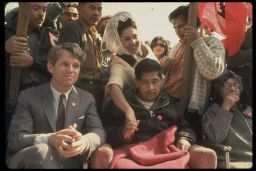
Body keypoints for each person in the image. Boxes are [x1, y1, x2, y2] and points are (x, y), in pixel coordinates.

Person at [92, 59, 217, 168]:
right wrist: (122, 132)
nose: (151, 87)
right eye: (145, 82)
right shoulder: (121, 103)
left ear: (162, 81)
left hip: (165, 152)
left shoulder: (171, 103)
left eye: (155, 81)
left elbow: (184, 127)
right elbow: (105, 129)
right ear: (137, 82)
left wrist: (184, 138)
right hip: (131, 153)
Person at [6, 43, 106, 169]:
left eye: (76, 66)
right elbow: (16, 140)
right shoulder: (28, 97)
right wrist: (49, 138)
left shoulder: (87, 99)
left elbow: (98, 131)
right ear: (50, 67)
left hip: (68, 163)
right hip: (31, 161)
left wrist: (84, 142)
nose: (71, 70)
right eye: (65, 64)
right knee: (43, 150)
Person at [160, 5, 225, 143]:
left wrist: (197, 41)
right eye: (175, 27)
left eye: (181, 26)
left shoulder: (212, 43)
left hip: (191, 110)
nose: (178, 31)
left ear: (195, 24)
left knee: (187, 145)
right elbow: (167, 76)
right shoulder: (177, 46)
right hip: (168, 103)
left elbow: (213, 70)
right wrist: (163, 65)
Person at [102, 11, 158, 141]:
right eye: (127, 39)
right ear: (118, 41)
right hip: (123, 115)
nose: (133, 41)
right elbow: (114, 86)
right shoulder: (118, 61)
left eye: (135, 36)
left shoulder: (145, 50)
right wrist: (128, 111)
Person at [5, 2, 58, 134]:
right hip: (11, 104)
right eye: (36, 8)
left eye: (44, 9)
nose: (41, 14)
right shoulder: (7, 33)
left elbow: (58, 68)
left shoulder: (51, 36)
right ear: (22, 9)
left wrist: (33, 63)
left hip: (42, 104)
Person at [59, 2, 104, 115]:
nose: (96, 13)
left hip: (94, 89)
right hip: (80, 89)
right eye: (92, 8)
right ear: (79, 9)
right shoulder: (72, 28)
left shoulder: (94, 33)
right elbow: (68, 65)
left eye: (99, 9)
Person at [202, 70, 252, 168]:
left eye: (236, 85)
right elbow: (214, 138)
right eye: (227, 85)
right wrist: (225, 108)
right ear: (218, 89)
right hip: (230, 159)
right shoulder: (213, 110)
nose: (233, 88)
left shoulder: (248, 109)